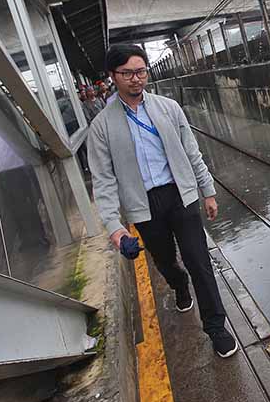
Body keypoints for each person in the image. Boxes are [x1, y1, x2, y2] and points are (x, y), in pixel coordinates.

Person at [86, 44, 238, 358]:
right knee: (166, 261)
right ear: (113, 76)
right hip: (143, 205)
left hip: (180, 196)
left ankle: (216, 327)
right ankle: (178, 284)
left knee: (200, 261)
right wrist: (116, 229)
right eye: (127, 73)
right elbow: (103, 181)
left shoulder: (168, 108)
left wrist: (207, 191)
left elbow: (191, 152)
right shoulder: (101, 126)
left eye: (141, 71)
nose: (135, 79)